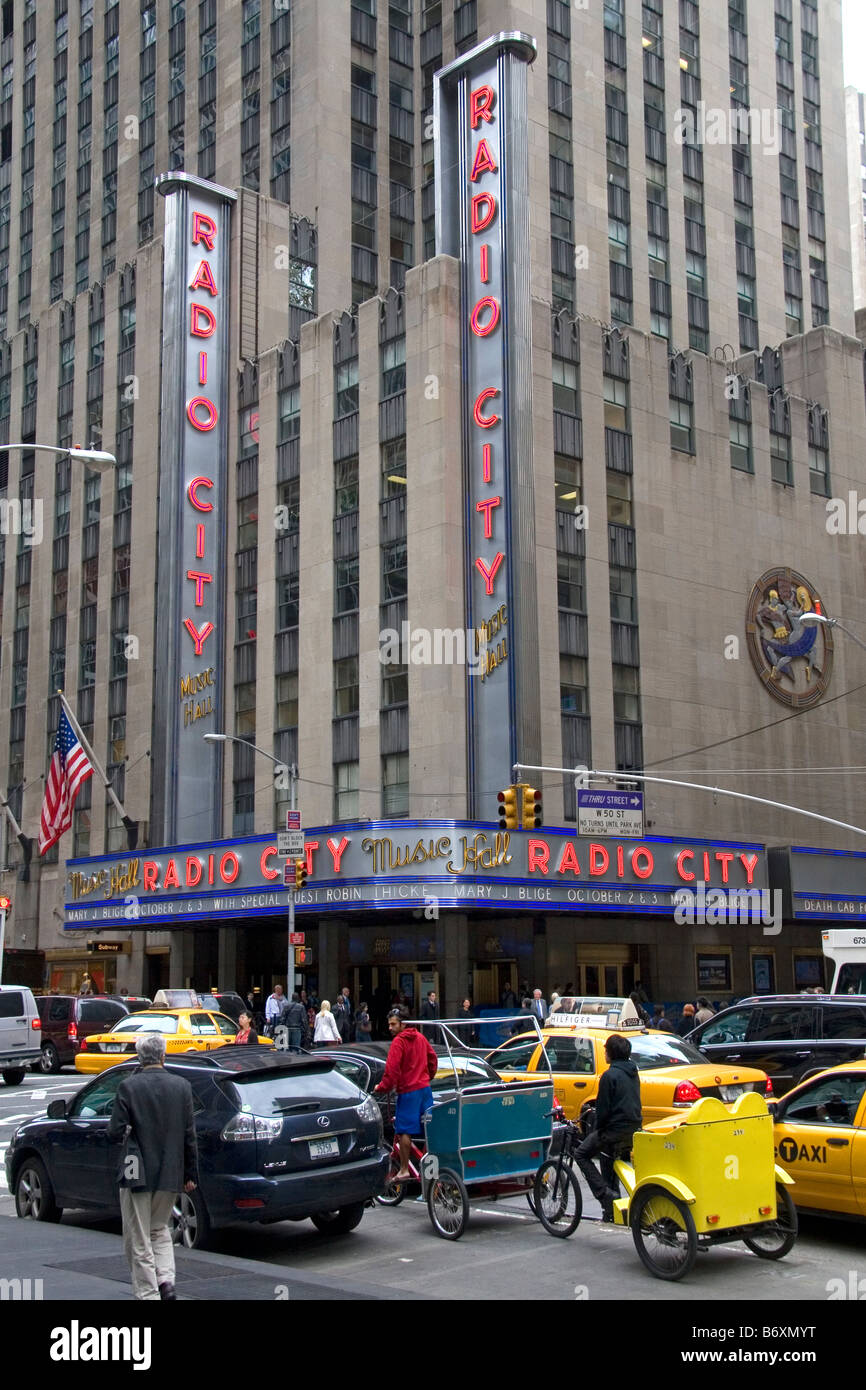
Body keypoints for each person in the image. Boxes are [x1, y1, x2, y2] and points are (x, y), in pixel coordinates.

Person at [107, 1031, 199, 1301]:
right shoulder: (182, 1086)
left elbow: (114, 1131)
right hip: (171, 1169)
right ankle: (166, 1281)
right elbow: (189, 1133)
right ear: (163, 1056)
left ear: (140, 1057)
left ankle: (148, 1293)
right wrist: (190, 1173)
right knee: (160, 1228)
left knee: (138, 1236)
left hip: (136, 1170)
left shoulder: (129, 1087)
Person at [574, 1033, 641, 1222]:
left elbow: (603, 1112)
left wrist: (597, 1127)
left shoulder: (609, 1075)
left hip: (614, 1131)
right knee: (607, 1159)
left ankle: (605, 1194)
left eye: (605, 1050)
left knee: (581, 1153)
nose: (604, 1053)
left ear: (611, 1053)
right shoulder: (632, 1071)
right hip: (633, 1128)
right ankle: (611, 1210)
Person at [373, 1008, 438, 1179]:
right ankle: (432, 1172)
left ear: (403, 1024)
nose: (390, 1027)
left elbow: (391, 1071)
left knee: (404, 1132)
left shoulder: (398, 1042)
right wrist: (427, 1077)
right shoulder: (421, 1038)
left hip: (409, 1092)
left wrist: (382, 1087)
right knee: (430, 1130)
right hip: (425, 1090)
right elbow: (433, 1059)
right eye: (389, 1024)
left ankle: (403, 1169)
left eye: (393, 1024)